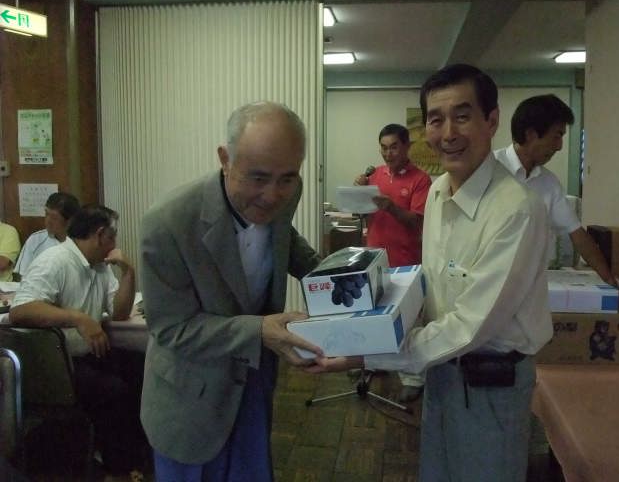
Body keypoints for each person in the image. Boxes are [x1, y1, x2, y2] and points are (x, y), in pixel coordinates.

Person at [310, 64, 553, 482]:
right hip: (440, 371)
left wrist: (364, 353)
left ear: (492, 120)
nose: (448, 133)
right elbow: (432, 283)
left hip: (490, 384)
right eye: (436, 120)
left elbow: (469, 327)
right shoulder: (439, 191)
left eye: (463, 116)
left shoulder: (517, 210)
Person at [139, 101, 324, 481]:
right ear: (225, 159)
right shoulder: (167, 223)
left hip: (254, 378)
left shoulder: (287, 189)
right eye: (257, 178)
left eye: (287, 179)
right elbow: (172, 328)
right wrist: (260, 330)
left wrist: (333, 276)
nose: (272, 195)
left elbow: (282, 238)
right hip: (191, 396)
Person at [9, 204, 145, 478]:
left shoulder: (100, 267)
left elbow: (119, 313)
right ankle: (117, 467)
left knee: (143, 371)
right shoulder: (55, 261)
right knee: (114, 391)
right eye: (112, 237)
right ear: (100, 234)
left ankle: (134, 459)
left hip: (89, 354)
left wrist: (128, 273)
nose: (114, 244)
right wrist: (77, 318)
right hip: (57, 364)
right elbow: (20, 311)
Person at [494, 94, 617, 285]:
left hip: (531, 284)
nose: (559, 146)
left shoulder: (548, 183)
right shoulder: (489, 169)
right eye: (557, 136)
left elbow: (577, 235)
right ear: (531, 134)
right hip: (488, 282)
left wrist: (611, 282)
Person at [353, 123, 431, 402]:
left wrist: (391, 207)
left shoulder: (421, 180)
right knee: (374, 319)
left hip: (405, 262)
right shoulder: (373, 176)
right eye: (384, 148)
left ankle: (412, 377)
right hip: (374, 260)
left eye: (394, 147)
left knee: (409, 321)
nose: (388, 153)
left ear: (407, 146)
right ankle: (375, 364)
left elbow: (417, 222)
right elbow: (362, 215)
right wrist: (357, 194)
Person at [14, 191, 80, 279]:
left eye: (54, 218)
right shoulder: (35, 239)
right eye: (46, 214)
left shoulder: (82, 242)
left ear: (70, 221)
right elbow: (24, 275)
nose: (48, 221)